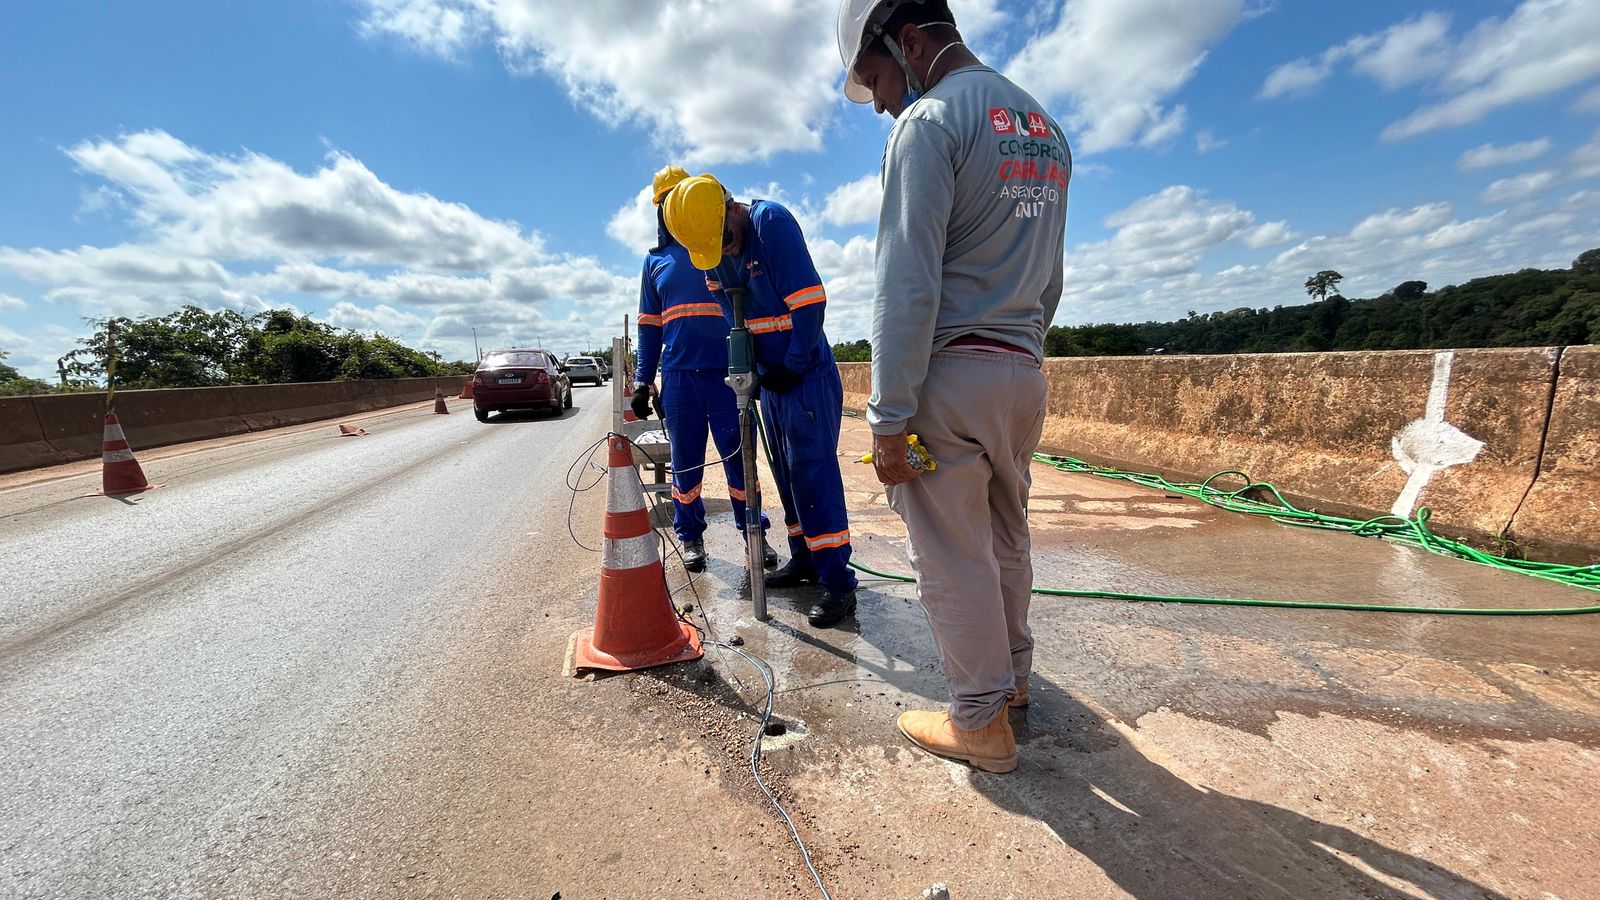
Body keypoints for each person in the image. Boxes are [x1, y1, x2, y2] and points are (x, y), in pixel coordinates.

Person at [838, 0, 1070, 773]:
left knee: (950, 551)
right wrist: (1022, 354)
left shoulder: (929, 123)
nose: (880, 102)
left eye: (876, 78)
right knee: (1006, 533)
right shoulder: (1044, 128)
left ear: (908, 41)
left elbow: (907, 284)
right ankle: (1014, 682)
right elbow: (1050, 280)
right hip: (1021, 373)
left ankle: (979, 721)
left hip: (952, 375)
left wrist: (888, 419)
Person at [661, 174, 860, 628]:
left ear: (731, 209)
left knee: (813, 475)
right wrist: (751, 369)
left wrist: (793, 363)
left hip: (805, 374)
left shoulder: (771, 223)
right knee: (786, 476)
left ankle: (837, 583)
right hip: (771, 378)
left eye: (726, 241)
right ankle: (804, 559)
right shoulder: (710, 252)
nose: (724, 253)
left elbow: (809, 303)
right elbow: (730, 312)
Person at [633, 165, 777, 573]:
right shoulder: (655, 262)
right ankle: (691, 536)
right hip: (680, 378)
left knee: (740, 461)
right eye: (665, 203)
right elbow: (648, 326)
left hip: (729, 374)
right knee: (686, 464)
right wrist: (643, 380)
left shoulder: (720, 246)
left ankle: (754, 533)